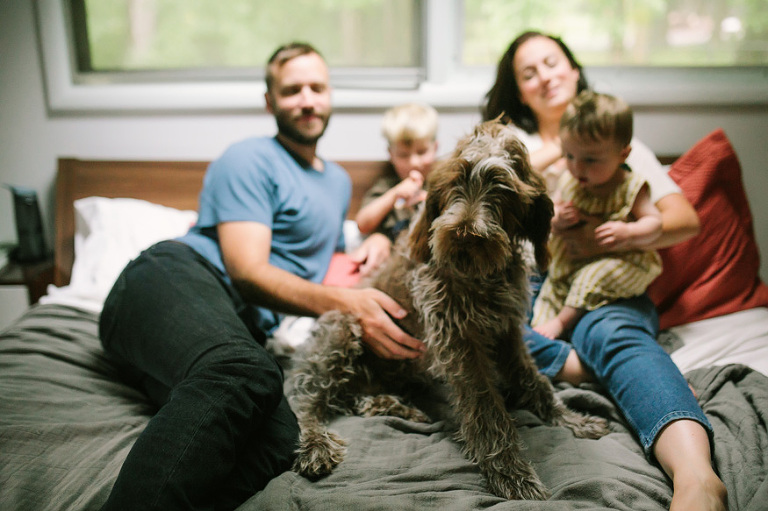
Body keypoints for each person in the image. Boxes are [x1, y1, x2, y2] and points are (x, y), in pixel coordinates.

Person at [98, 42, 424, 511]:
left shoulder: (335, 182)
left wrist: (370, 242)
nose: (307, 99)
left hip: (228, 329)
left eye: (317, 87)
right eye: (292, 90)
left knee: (279, 441)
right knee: (243, 371)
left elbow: (321, 253)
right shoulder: (248, 158)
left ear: (331, 96)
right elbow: (248, 272)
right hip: (171, 280)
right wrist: (346, 303)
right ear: (270, 102)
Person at [483, 31, 727, 511]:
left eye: (552, 63)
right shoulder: (511, 145)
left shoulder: (618, 148)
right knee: (492, 333)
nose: (545, 77)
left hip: (606, 282)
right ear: (519, 91)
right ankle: (613, 374)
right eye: (528, 74)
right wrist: (551, 155)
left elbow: (683, 221)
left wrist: (613, 233)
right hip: (532, 286)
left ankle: (697, 478)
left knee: (614, 331)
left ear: (573, 69)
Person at [532, 90, 663, 340]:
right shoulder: (570, 180)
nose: (577, 167)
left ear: (623, 153)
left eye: (591, 159)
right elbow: (551, 217)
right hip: (567, 268)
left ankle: (562, 323)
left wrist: (630, 232)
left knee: (592, 277)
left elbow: (655, 223)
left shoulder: (631, 186)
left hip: (621, 264)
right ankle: (551, 343)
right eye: (569, 156)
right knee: (543, 308)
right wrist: (558, 220)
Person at [355, 102, 439, 242]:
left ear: (435, 148)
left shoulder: (441, 183)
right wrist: (395, 194)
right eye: (403, 155)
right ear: (391, 154)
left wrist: (427, 200)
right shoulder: (387, 186)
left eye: (422, 152)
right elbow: (362, 225)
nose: (414, 162)